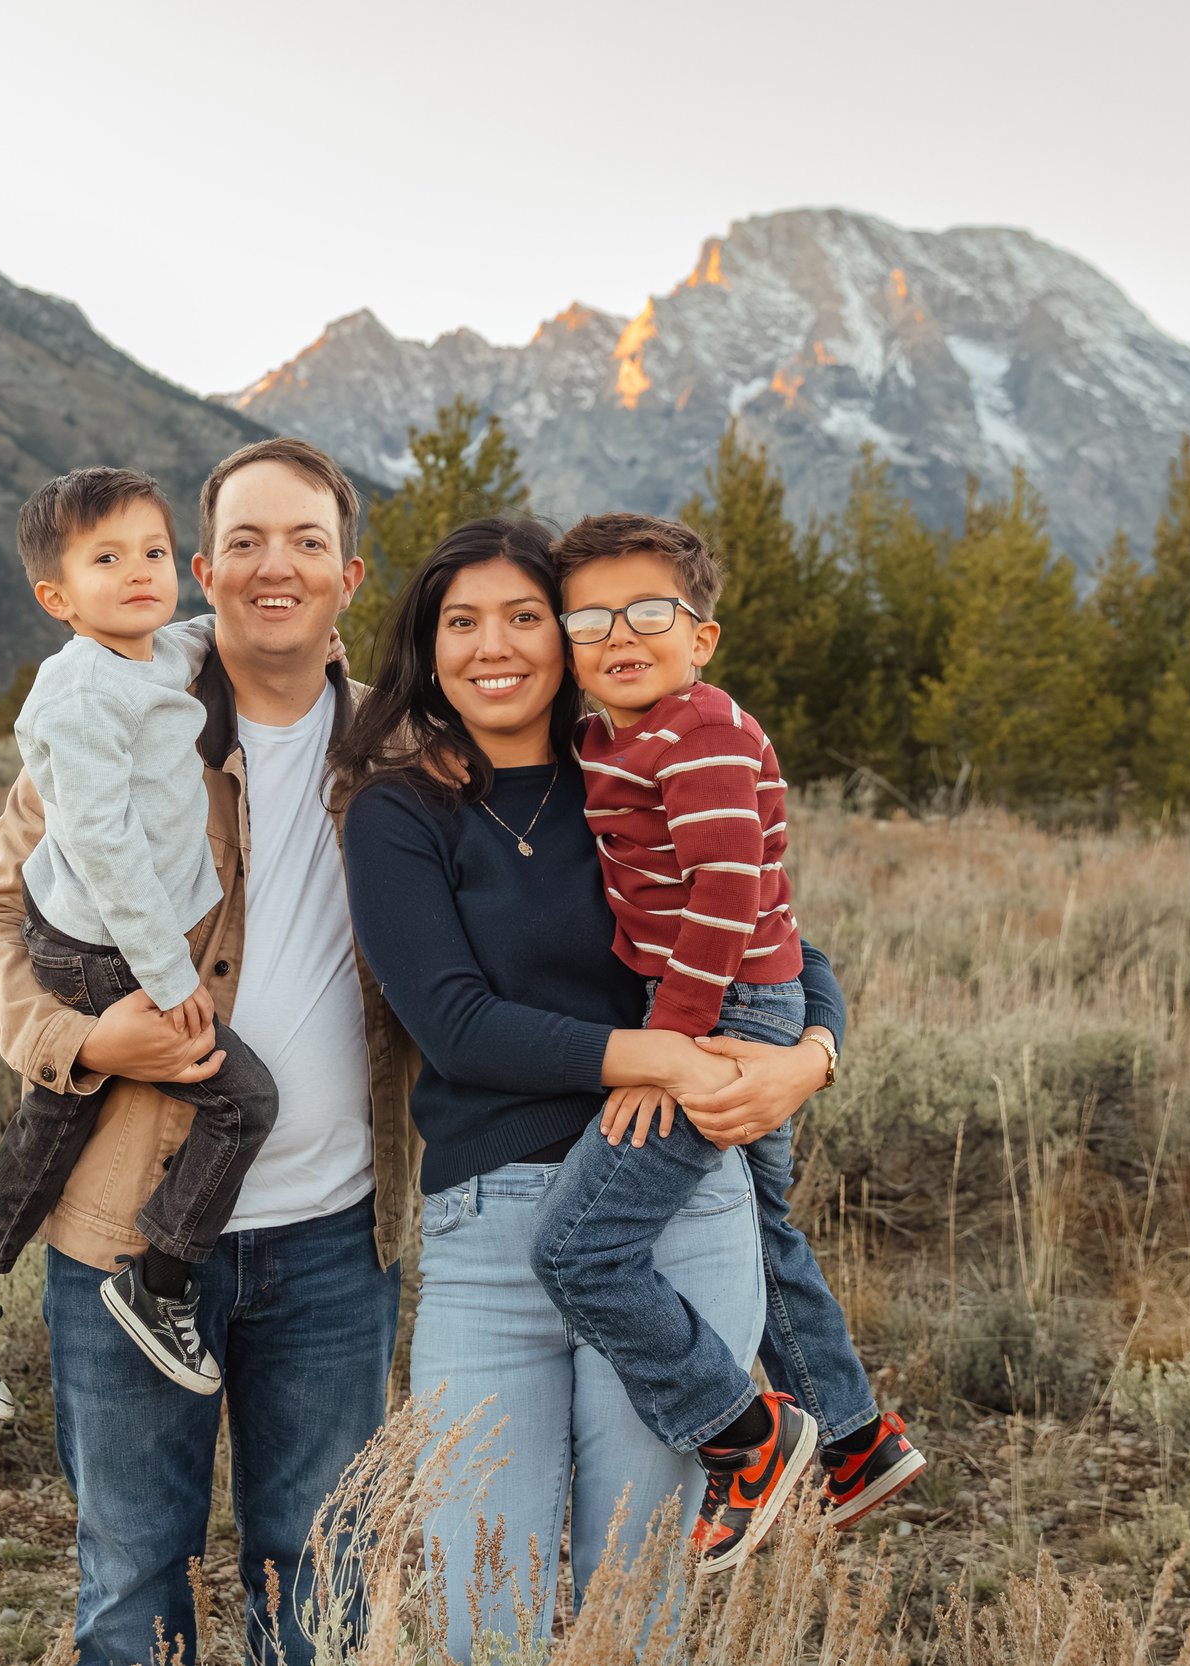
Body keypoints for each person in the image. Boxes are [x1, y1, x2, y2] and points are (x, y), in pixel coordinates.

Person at [332, 519, 846, 1656]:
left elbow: (785, 947)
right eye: (460, 622)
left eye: (524, 616)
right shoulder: (400, 811)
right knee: (483, 1604)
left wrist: (810, 1060)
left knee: (637, 1610)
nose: (494, 646)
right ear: (427, 646)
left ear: (564, 643)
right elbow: (455, 1026)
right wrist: (656, 1053)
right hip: (489, 1237)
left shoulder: (640, 760)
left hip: (673, 1216)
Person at [0, 438, 416, 1666]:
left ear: (348, 575)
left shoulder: (403, 753)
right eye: (246, 541)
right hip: (123, 1232)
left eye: (306, 541)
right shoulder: (120, 711)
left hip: (331, 1242)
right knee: (132, 1572)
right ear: (205, 568)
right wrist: (85, 1036)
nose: (276, 566)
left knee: (317, 1573)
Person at [526, 513, 927, 1559]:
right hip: (754, 998)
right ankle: (853, 1438)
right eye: (591, 617)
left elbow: (721, 896)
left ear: (701, 637)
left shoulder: (696, 728)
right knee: (762, 1231)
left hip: (720, 1006)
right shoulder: (610, 733)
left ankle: (740, 1437)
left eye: (650, 611)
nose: (620, 632)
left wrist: (674, 1042)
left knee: (577, 1247)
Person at [0, 467, 280, 1411]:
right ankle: (157, 1285)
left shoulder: (153, 653)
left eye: (154, 553)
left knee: (55, 1118)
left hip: (105, 936)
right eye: (107, 559)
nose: (141, 572)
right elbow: (107, 849)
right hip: (99, 946)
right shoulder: (74, 695)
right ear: (57, 598)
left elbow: (198, 635)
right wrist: (165, 976)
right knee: (244, 1102)